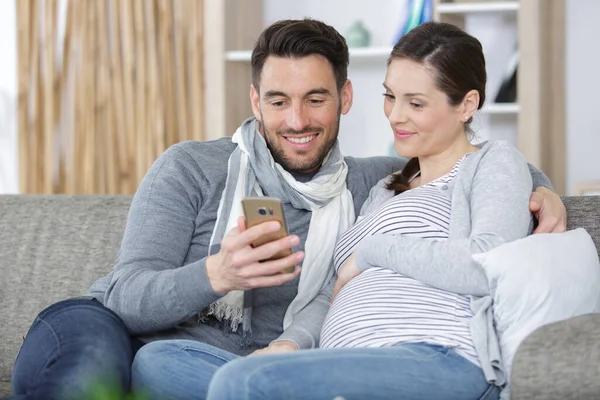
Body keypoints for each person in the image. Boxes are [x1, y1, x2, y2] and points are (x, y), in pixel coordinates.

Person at [7, 19, 564, 400]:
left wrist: (543, 191)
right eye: (278, 100)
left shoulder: (368, 181)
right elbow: (123, 297)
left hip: (332, 358)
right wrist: (216, 275)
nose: (297, 120)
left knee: (232, 383)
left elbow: (472, 161)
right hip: (229, 357)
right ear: (255, 102)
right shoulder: (193, 168)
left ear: (345, 98)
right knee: (152, 364)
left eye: (315, 99)